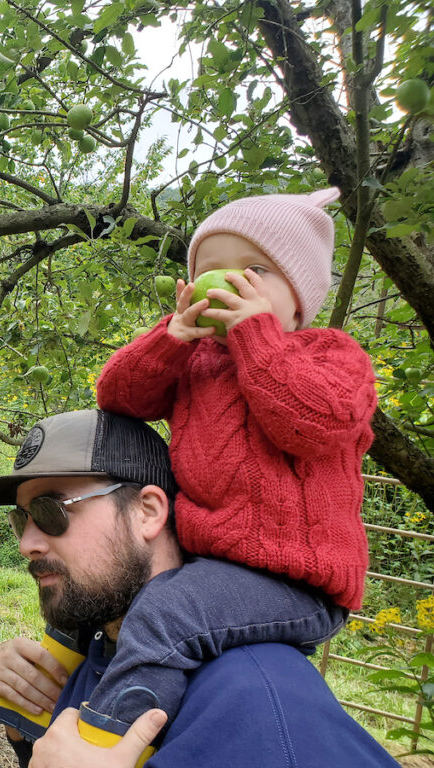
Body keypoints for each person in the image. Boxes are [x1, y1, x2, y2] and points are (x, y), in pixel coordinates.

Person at [66, 187, 379, 742]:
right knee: (104, 587)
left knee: (167, 612)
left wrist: (256, 335)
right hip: (215, 566)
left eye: (254, 270)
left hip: (299, 579)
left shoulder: (333, 356)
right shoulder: (197, 361)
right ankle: (60, 692)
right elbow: (118, 396)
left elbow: (309, 424)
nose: (230, 283)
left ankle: (105, 741)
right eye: (211, 270)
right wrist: (171, 339)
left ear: (300, 297)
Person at [0, 409, 397, 768]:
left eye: (51, 510)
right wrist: (23, 725)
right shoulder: (98, 651)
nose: (27, 544)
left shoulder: (257, 695)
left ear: (148, 512)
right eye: (22, 519)